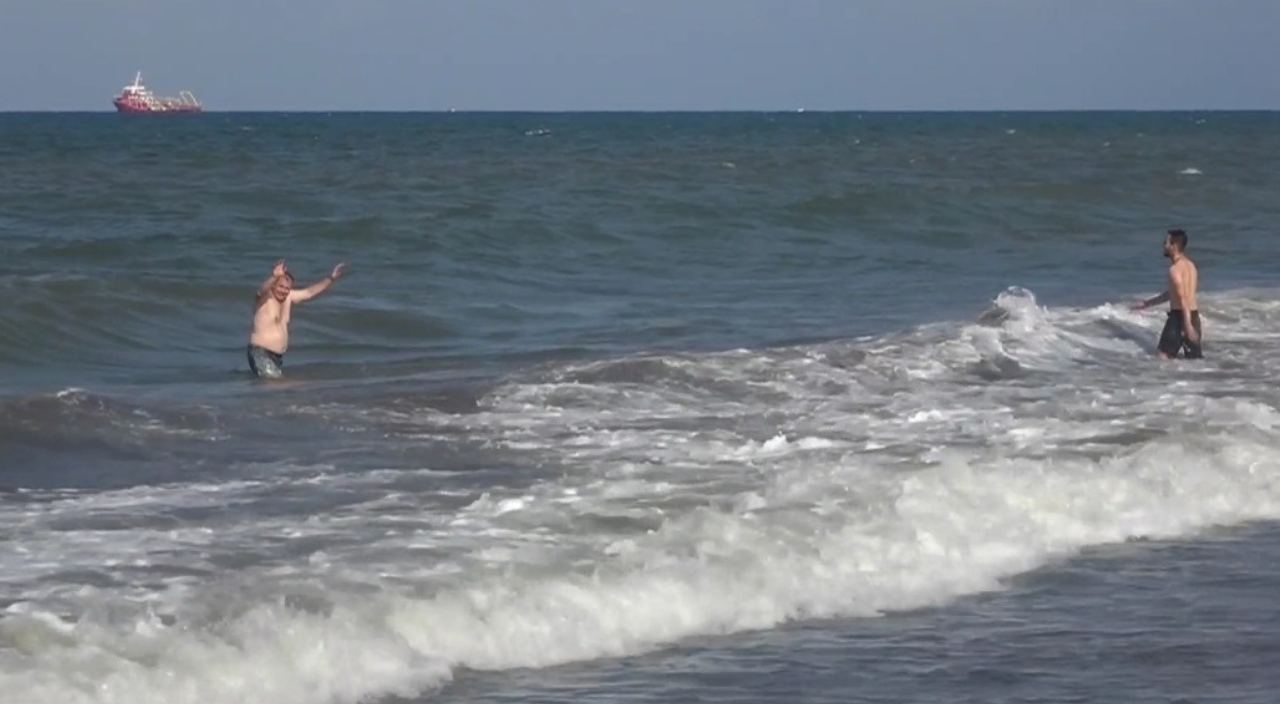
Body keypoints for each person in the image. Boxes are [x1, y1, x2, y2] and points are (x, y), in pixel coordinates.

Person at [247, 259, 345, 378]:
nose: (283, 291)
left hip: (277, 357)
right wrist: (274, 276)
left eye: (287, 288)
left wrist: (331, 279)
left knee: (275, 390)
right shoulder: (264, 299)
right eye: (280, 286)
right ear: (273, 286)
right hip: (260, 353)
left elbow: (308, 293)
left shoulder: (288, 297)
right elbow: (260, 291)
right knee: (280, 385)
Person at [1134, 229, 1202, 359]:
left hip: (1179, 318)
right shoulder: (1191, 266)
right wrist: (1149, 303)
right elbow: (1176, 294)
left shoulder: (1174, 270)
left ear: (1174, 245)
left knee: (1163, 357)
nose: (1164, 246)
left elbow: (1182, 298)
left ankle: (1167, 380)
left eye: (1166, 243)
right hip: (1194, 317)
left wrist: (1186, 325)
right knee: (1194, 360)